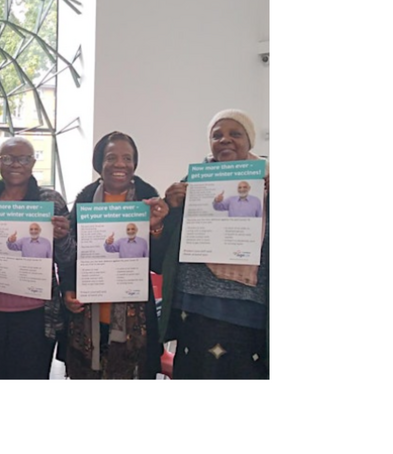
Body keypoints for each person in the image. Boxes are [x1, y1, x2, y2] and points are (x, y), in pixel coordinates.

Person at [156, 109, 269, 379]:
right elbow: (169, 245)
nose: (225, 140)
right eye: (217, 135)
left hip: (247, 308)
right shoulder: (192, 182)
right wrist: (171, 206)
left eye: (235, 134)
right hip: (194, 304)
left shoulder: (268, 182)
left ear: (249, 141)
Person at [59, 131, 167, 380]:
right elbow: (71, 256)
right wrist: (68, 290)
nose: (120, 164)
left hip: (134, 321)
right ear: (99, 163)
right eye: (112, 157)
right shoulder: (85, 200)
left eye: (127, 158)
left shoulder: (148, 200)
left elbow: (160, 264)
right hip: (88, 317)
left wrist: (158, 227)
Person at [0, 136, 70, 380]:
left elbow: (67, 258)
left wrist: (62, 237)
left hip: (36, 313)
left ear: (32, 162)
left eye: (23, 158)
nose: (15, 164)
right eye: (8, 158)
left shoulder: (50, 202)